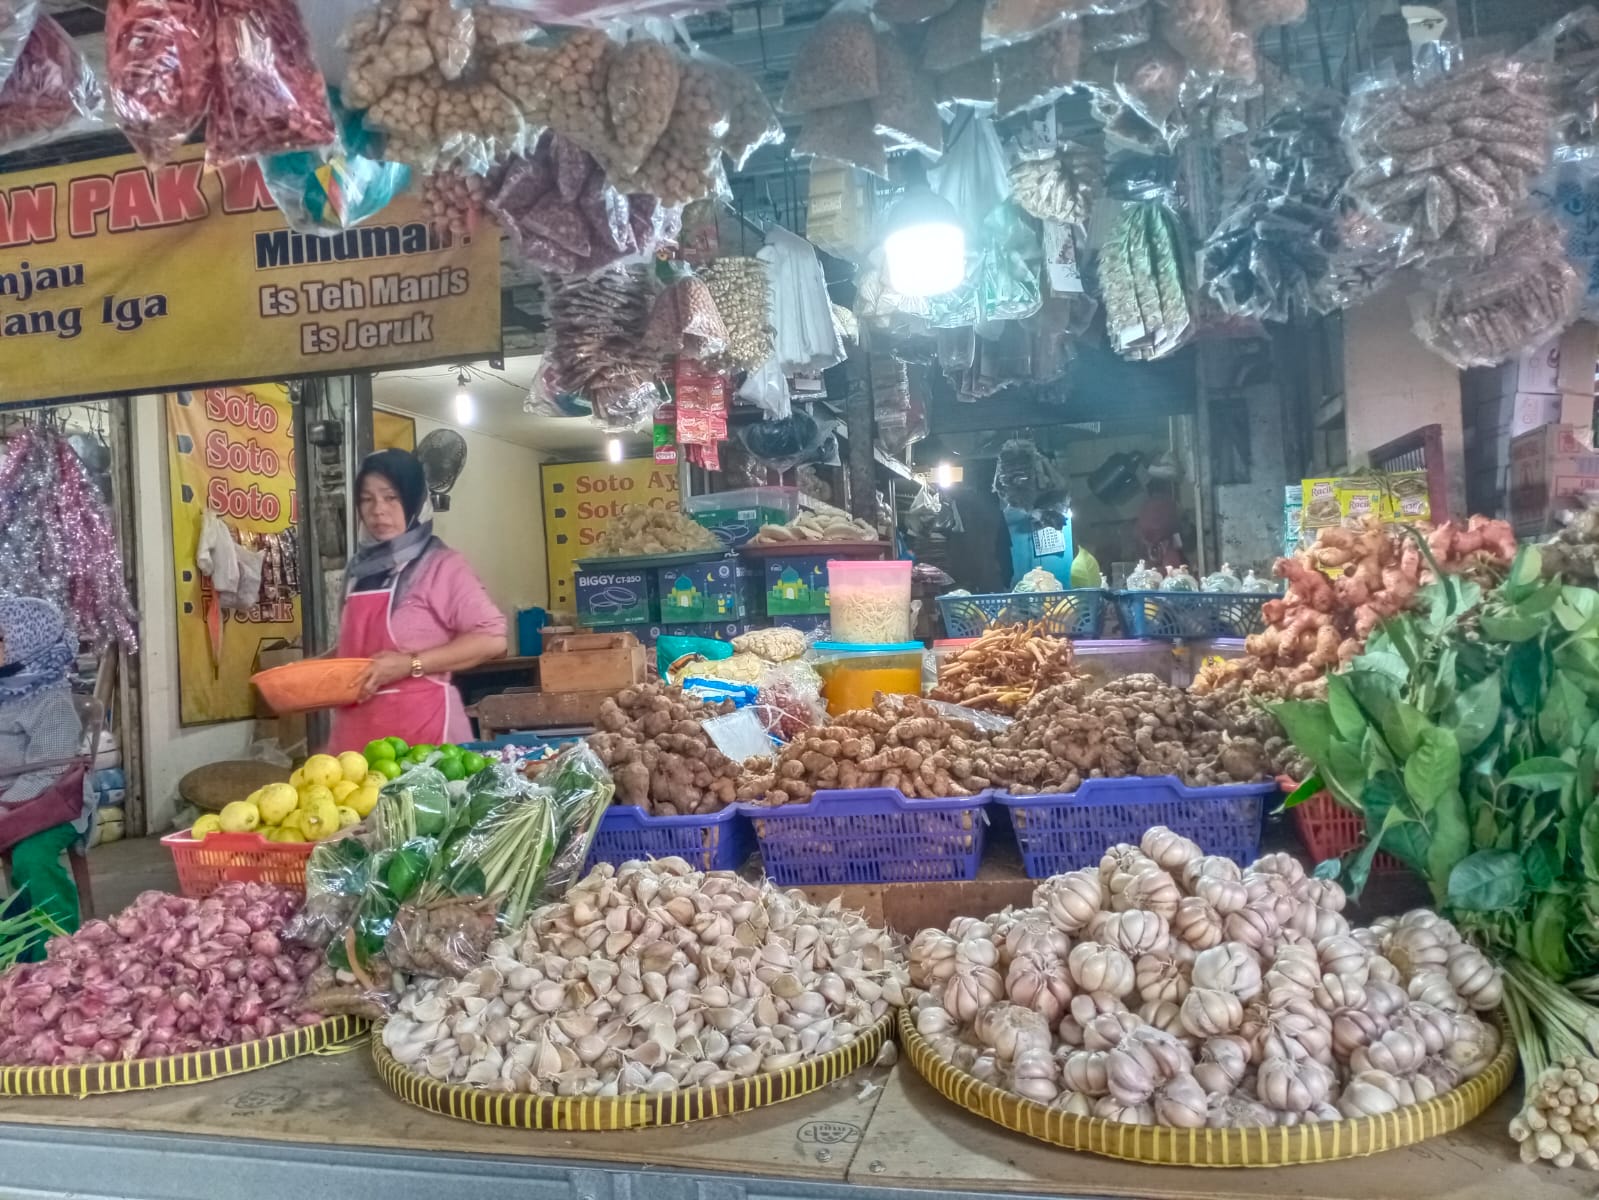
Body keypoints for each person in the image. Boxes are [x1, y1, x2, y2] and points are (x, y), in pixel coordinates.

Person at [327, 449, 508, 753]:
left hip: (426, 738)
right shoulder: (357, 571)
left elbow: (492, 639)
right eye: (367, 499)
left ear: (412, 500)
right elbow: (359, 649)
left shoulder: (441, 565)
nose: (378, 510)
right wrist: (314, 672)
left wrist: (408, 664)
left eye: (391, 497)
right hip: (356, 742)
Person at [0, 597, 89, 951]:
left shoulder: (51, 699)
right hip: (11, 800)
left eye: (1, 640)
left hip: (51, 802)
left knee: (31, 858)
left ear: (26, 642)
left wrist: (5, 807)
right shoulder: (7, 689)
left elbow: (49, 769)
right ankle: (16, 939)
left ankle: (56, 949)